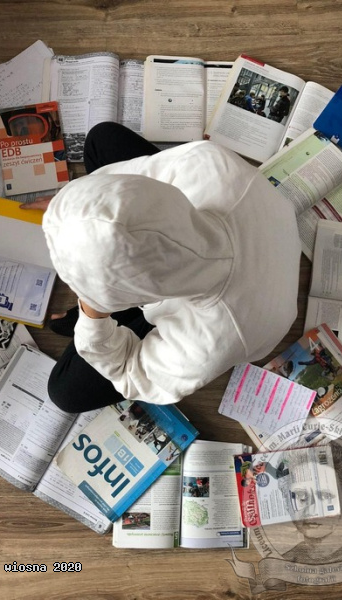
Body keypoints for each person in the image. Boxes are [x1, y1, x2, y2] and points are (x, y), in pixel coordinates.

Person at [23, 122, 301, 413]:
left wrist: (93, 313)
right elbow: (134, 182)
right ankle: (107, 303)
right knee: (101, 139)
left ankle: (105, 316)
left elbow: (132, 372)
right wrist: (77, 209)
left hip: (234, 313)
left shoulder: (209, 341)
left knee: (65, 392)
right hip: (254, 224)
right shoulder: (207, 161)